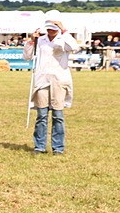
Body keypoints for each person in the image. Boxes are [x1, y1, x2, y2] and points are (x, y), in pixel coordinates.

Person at [24, 18, 79, 155]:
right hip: (42, 79)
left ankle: (58, 147)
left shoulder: (64, 39)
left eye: (54, 29)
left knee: (58, 115)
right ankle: (39, 146)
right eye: (49, 28)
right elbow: (27, 56)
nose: (51, 31)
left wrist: (64, 30)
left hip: (59, 80)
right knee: (41, 114)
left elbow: (75, 47)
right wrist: (32, 40)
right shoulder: (40, 40)